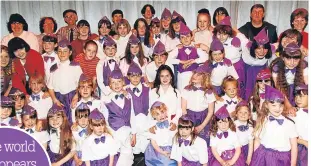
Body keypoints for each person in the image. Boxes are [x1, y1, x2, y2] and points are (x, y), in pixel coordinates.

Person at [250, 85, 298, 166]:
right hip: (263, 156)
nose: (278, 108)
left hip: (282, 158)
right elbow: (257, 140)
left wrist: (293, 164)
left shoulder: (289, 124)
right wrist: (255, 156)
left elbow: (294, 146)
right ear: (266, 105)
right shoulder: (263, 120)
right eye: (274, 105)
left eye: (280, 105)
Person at [102, 69, 136, 166]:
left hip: (127, 132)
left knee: (128, 155)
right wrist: (110, 134)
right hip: (114, 133)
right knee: (115, 157)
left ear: (123, 83)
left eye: (119, 82)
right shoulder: (106, 100)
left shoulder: (129, 96)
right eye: (113, 82)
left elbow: (132, 115)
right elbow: (105, 119)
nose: (116, 85)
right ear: (109, 85)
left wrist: (134, 133)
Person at [213, 16, 249, 99]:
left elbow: (248, 45)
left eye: (224, 34)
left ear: (229, 33)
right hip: (223, 69)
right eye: (219, 34)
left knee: (237, 89)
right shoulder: (215, 42)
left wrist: (238, 35)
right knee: (224, 89)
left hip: (237, 68)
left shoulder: (236, 39)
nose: (221, 37)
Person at [48, 39, 82, 124]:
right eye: (59, 51)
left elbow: (81, 84)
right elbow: (50, 87)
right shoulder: (53, 68)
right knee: (60, 120)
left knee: (73, 119)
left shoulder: (76, 67)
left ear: (70, 53)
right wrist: (55, 100)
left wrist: (77, 96)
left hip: (72, 97)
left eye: (65, 51)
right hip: (58, 99)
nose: (62, 53)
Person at [168, 22, 208, 90]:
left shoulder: (196, 48)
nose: (185, 39)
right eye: (182, 37)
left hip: (194, 77)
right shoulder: (178, 49)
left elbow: (206, 57)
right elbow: (169, 59)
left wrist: (193, 61)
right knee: (182, 93)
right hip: (182, 77)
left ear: (191, 37)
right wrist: (181, 61)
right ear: (180, 40)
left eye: (188, 36)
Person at [181, 65, 215, 145]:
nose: (195, 76)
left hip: (204, 118)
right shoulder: (186, 89)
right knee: (190, 139)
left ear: (205, 77)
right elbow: (183, 108)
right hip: (189, 117)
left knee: (204, 140)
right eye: (194, 73)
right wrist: (187, 122)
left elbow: (210, 111)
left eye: (199, 74)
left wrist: (202, 126)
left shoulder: (209, 92)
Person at [125, 63, 150, 166]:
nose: (135, 78)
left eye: (138, 75)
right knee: (134, 149)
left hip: (145, 123)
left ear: (141, 76)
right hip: (133, 123)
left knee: (146, 147)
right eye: (132, 76)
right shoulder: (124, 90)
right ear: (128, 77)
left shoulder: (147, 88)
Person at [271, 42, 308, 107]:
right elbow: (279, 87)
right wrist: (288, 105)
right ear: (283, 58)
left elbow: (308, 84)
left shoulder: (303, 65)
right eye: (288, 59)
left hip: (298, 91)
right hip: (282, 92)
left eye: (296, 59)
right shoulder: (276, 67)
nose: (292, 63)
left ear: (300, 59)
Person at [243, 28, 276, 100]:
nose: (262, 51)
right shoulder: (245, 58)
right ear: (253, 48)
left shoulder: (269, 60)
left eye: (265, 48)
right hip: (246, 90)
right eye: (258, 48)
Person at [145, 101, 177, 166]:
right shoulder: (153, 128)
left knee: (172, 162)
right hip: (157, 150)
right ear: (154, 116)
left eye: (162, 112)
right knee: (163, 163)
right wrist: (162, 152)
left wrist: (174, 150)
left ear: (166, 111)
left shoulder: (170, 124)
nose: (161, 115)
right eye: (157, 114)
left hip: (169, 148)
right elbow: (153, 143)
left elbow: (174, 138)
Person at [291, 84, 308, 166]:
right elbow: (291, 136)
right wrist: (304, 142)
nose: (297, 99)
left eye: (301, 96)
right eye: (296, 96)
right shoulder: (294, 115)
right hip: (301, 150)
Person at [233, 101, 254, 165]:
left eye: (245, 112)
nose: (243, 114)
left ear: (249, 115)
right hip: (234, 148)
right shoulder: (233, 124)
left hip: (245, 149)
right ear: (236, 114)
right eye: (240, 112)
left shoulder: (250, 127)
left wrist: (249, 157)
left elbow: (251, 143)